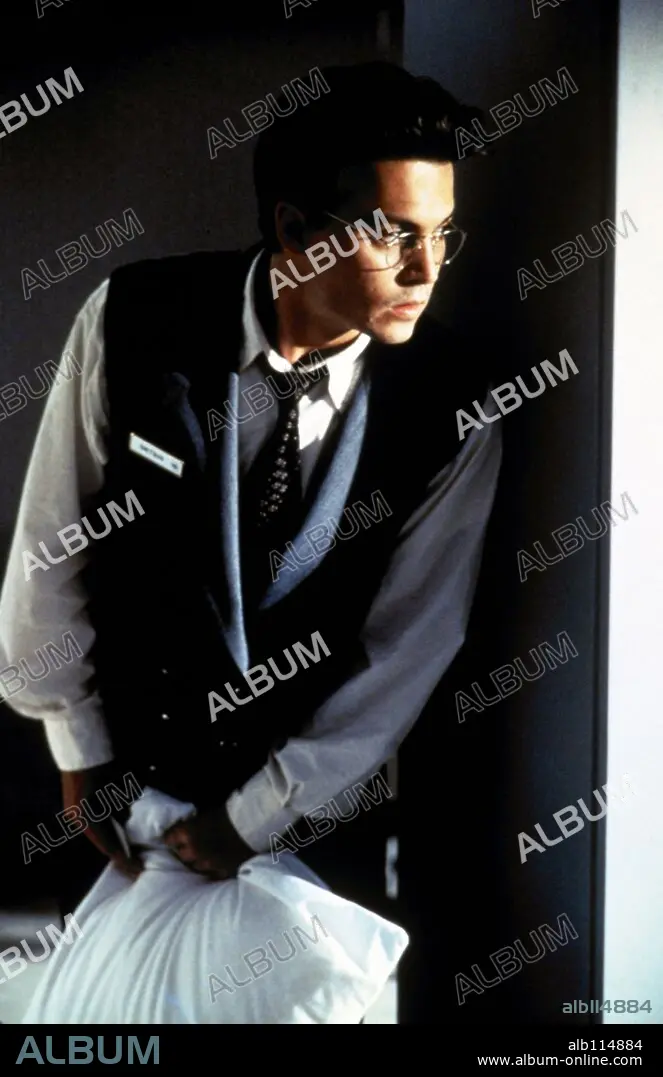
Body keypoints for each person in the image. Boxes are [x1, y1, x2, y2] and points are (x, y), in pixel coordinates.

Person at [0, 61, 501, 913]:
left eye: (441, 233)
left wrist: (255, 816)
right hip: (121, 793)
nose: (425, 270)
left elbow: (408, 644)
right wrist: (78, 745)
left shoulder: (455, 402)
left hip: (311, 824)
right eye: (392, 236)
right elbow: (52, 541)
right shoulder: (133, 317)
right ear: (296, 228)